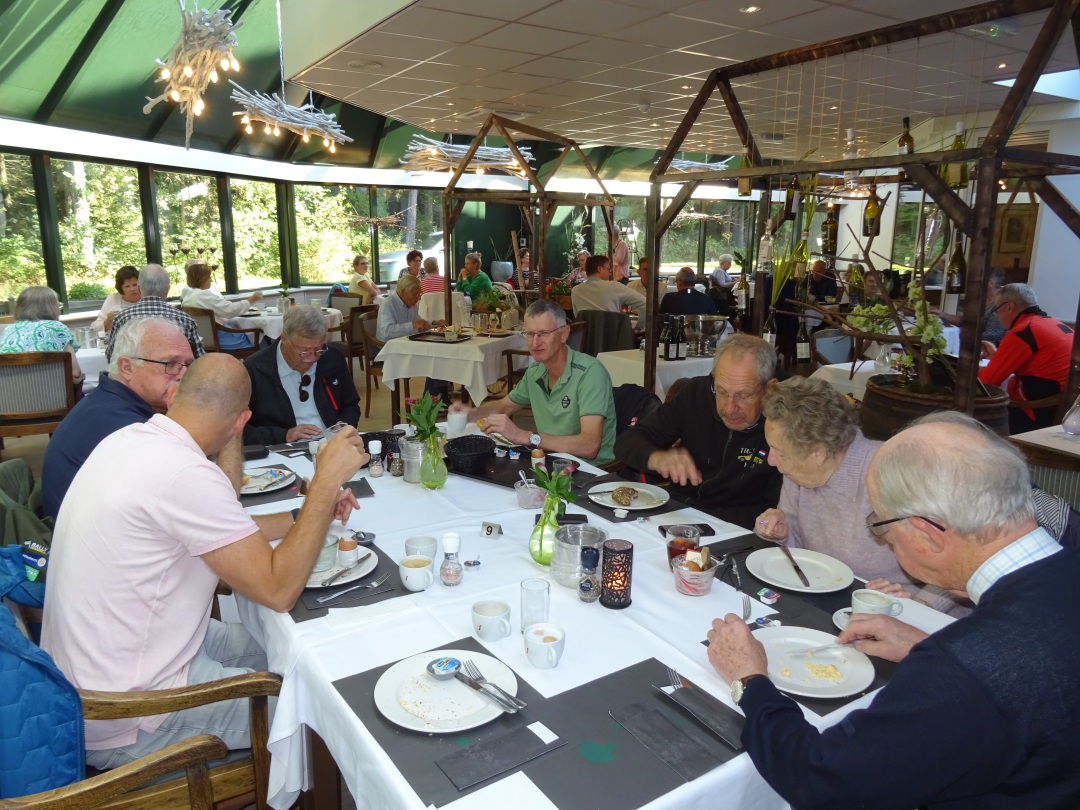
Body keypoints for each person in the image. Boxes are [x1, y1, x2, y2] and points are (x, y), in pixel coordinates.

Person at [706, 411, 1080, 809]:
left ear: (927, 533)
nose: (883, 538)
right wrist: (926, 643)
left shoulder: (962, 670)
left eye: (880, 525)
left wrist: (749, 680)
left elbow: (822, 782)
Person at [41, 354, 367, 770]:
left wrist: (303, 515)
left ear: (174, 395)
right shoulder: (184, 474)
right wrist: (324, 482)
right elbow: (279, 590)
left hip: (107, 671)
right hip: (128, 711)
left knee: (304, 654)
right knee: (324, 714)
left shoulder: (129, 440)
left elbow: (220, 526)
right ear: (242, 421)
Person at [754, 377, 964, 614]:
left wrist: (922, 605)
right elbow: (799, 553)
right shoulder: (798, 473)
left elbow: (960, 558)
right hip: (829, 601)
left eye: (779, 452)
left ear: (818, 453)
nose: (771, 460)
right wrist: (780, 534)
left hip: (903, 610)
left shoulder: (893, 474)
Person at [615, 334, 782, 528]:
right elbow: (627, 442)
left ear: (770, 388)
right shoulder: (696, 393)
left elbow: (775, 509)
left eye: (743, 396)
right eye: (721, 392)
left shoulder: (786, 420)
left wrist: (706, 520)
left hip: (740, 528)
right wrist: (656, 458)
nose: (729, 408)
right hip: (679, 515)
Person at [41, 318, 194, 519]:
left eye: (188, 365)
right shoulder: (128, 428)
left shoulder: (106, 402)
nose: (184, 375)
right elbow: (192, 497)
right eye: (171, 364)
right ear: (127, 367)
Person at [451, 298, 617, 465]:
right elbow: (504, 406)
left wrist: (523, 436)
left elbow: (589, 446)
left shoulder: (590, 373)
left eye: (544, 333)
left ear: (564, 334)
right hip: (546, 461)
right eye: (530, 334)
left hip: (589, 470)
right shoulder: (535, 372)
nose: (535, 342)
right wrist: (472, 414)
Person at [243, 305, 361, 445]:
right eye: (304, 351)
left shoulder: (332, 359)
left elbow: (351, 405)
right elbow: (240, 430)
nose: (312, 358)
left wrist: (343, 425)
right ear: (284, 339)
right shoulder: (255, 369)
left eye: (318, 349)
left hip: (332, 443)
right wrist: (284, 435)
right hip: (281, 448)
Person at [979, 282, 1073, 433]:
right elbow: (1040, 364)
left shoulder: (1023, 332)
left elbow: (986, 382)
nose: (997, 315)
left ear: (1009, 307)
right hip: (1065, 409)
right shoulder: (1053, 324)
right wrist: (997, 356)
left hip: (1037, 413)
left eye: (996, 310)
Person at [106, 264, 204, 361]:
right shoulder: (186, 320)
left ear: (139, 289)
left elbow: (110, 355)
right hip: (176, 370)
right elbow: (198, 357)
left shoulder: (121, 319)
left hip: (135, 371)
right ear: (167, 290)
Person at [0, 285, 84, 388]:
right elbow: (75, 372)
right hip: (51, 395)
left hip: (10, 395)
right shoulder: (57, 328)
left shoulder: (9, 329)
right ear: (51, 307)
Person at [179, 260, 263, 351]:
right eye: (209, 277)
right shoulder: (204, 295)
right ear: (202, 278)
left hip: (202, 340)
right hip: (222, 341)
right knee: (262, 337)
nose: (211, 280)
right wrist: (250, 300)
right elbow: (231, 310)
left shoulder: (187, 296)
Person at [932, 266, 1006, 345]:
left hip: (989, 348)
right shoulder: (980, 300)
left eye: (979, 281)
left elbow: (992, 335)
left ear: (991, 283)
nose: (975, 284)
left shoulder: (1000, 304)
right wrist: (943, 315)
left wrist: (961, 332)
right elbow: (966, 321)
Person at [570, 254, 645, 317]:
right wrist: (639, 326)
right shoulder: (615, 286)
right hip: (612, 330)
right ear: (600, 269)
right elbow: (645, 304)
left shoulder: (575, 291)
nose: (610, 273)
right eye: (608, 269)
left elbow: (578, 317)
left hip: (587, 330)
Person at [377, 275, 443, 342]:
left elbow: (419, 324)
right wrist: (412, 325)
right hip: (389, 345)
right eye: (416, 294)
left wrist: (434, 323)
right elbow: (386, 332)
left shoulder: (412, 304)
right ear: (403, 292)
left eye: (419, 294)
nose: (419, 298)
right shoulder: (388, 304)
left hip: (406, 342)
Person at [90, 265, 141, 333]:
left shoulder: (147, 296)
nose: (132, 289)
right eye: (127, 286)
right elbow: (94, 329)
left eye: (135, 285)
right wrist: (108, 321)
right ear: (121, 288)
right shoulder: (113, 299)